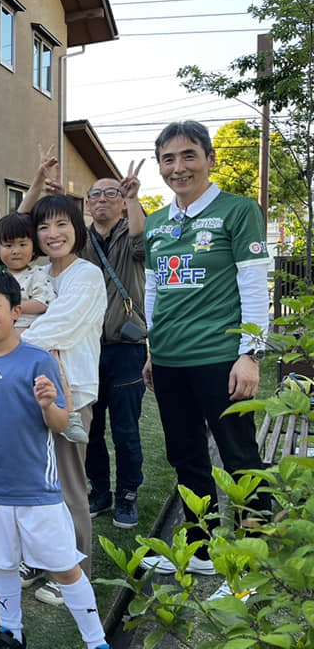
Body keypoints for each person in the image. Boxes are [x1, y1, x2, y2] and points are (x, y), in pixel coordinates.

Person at [0, 269, 109, 649]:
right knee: (1, 563)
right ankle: (11, 631)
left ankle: (96, 641)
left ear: (15, 311)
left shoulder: (38, 360)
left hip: (35, 490)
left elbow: (61, 422)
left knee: (64, 567)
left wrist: (48, 404)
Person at [138, 121, 270, 587]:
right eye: (169, 159)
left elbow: (254, 285)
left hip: (222, 358)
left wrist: (250, 353)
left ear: (210, 159)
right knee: (186, 456)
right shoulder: (156, 222)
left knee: (240, 459)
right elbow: (155, 291)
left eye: (189, 155)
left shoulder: (238, 212)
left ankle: (254, 570)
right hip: (171, 361)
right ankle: (201, 551)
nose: (179, 167)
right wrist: (154, 349)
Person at [16, 148, 107, 605]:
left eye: (62, 225)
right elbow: (5, 233)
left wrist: (10, 341)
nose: (52, 234)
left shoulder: (86, 276)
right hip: (34, 388)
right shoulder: (39, 273)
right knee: (38, 480)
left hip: (70, 394)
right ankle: (45, 557)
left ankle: (76, 571)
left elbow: (60, 326)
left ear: (78, 229)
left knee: (69, 482)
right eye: (44, 226)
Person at [78, 163, 148, 530]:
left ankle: (127, 494)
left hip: (125, 347)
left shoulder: (133, 232)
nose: (103, 200)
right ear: (87, 204)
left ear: (122, 203)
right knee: (90, 427)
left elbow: (141, 242)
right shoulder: (81, 240)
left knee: (126, 429)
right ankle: (100, 490)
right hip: (86, 347)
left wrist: (135, 198)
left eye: (112, 193)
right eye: (96, 195)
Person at [0, 213, 55, 331]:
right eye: (8, 245)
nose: (16, 251)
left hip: (31, 331)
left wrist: (10, 308)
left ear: (34, 248)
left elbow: (43, 303)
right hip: (1, 331)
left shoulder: (37, 274)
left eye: (23, 244)